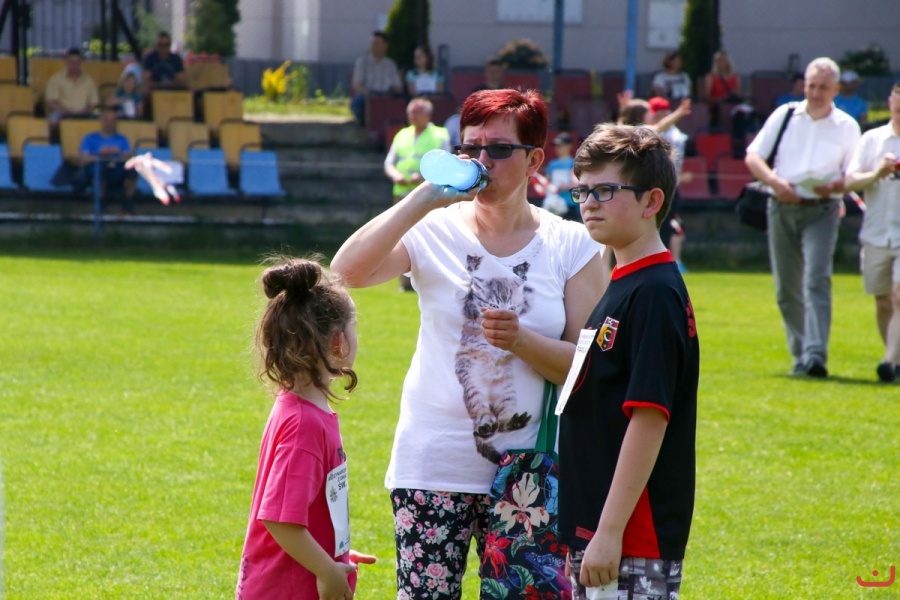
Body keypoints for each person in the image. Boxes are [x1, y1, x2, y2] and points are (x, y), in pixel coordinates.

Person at [330, 88, 607, 599]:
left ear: (534, 160)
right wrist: (424, 196)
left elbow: (589, 369)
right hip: (432, 464)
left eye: (498, 149)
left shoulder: (572, 243)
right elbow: (346, 273)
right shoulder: (432, 229)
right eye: (468, 148)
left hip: (529, 470)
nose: (481, 162)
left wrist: (522, 341)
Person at [558, 123, 699, 600]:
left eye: (605, 190)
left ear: (651, 201)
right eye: (582, 191)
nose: (588, 203)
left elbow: (649, 417)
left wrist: (610, 530)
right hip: (599, 525)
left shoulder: (655, 292)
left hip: (630, 537)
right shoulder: (624, 278)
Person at [236, 256, 376, 600]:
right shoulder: (305, 424)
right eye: (355, 326)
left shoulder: (300, 408)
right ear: (338, 342)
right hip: (285, 590)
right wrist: (325, 569)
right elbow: (279, 519)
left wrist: (333, 552)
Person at [745, 57, 861, 378]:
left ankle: (815, 356)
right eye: (811, 85)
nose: (816, 93)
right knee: (786, 288)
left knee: (816, 280)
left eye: (823, 87)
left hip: (823, 209)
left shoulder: (847, 126)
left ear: (836, 89)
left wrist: (837, 185)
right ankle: (800, 354)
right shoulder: (785, 115)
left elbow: (853, 173)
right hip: (781, 206)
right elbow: (754, 156)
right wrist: (775, 182)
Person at [844, 81, 900, 382]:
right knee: (882, 301)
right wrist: (877, 173)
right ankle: (895, 360)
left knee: (899, 296)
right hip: (876, 230)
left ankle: (889, 361)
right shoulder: (872, 140)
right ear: (890, 103)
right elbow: (850, 181)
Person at [383, 97, 452, 289]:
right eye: (410, 112)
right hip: (401, 193)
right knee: (400, 237)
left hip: (429, 195)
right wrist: (395, 174)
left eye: (416, 112)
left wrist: (422, 176)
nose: (412, 116)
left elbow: (445, 162)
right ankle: (404, 282)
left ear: (428, 114)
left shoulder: (439, 134)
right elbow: (389, 162)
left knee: (431, 234)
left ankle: (431, 278)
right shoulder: (402, 134)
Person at [647, 96, 690, 273]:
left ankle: (660, 262)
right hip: (672, 187)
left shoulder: (666, 135)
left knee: (660, 226)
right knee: (667, 225)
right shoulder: (679, 136)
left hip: (657, 187)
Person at [78, 105, 138, 215]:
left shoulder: (122, 139)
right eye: (106, 119)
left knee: (132, 171)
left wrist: (119, 153)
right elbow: (83, 159)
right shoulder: (90, 138)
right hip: (97, 167)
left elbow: (129, 157)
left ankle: (127, 204)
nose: (110, 123)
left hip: (117, 168)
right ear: (101, 120)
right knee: (100, 170)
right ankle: (100, 204)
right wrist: (101, 155)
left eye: (113, 120)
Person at [350, 30, 402, 126]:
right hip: (368, 94)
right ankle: (362, 124)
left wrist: (392, 92)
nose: (373, 46)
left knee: (400, 100)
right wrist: (369, 93)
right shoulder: (362, 62)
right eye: (372, 43)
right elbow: (357, 85)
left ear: (385, 46)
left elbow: (397, 86)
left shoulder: (391, 64)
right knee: (358, 101)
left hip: (386, 94)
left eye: (376, 43)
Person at [44, 47, 99, 136]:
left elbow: (94, 103)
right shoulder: (55, 79)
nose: (74, 65)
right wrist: (67, 112)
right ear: (65, 62)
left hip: (84, 114)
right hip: (62, 113)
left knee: (100, 121)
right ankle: (56, 143)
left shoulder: (89, 81)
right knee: (53, 120)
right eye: (71, 62)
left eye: (77, 62)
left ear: (81, 63)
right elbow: (51, 102)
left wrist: (85, 111)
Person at [535, 131, 580, 221]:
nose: (557, 148)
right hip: (554, 205)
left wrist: (568, 186)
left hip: (570, 204)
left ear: (569, 146)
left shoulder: (574, 163)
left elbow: (578, 182)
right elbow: (547, 181)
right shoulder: (552, 164)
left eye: (561, 145)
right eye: (556, 146)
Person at [700, 50, 742, 129]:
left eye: (723, 61)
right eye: (718, 61)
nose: (721, 63)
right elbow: (706, 97)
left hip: (732, 107)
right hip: (716, 109)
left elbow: (739, 95)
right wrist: (721, 99)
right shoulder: (710, 77)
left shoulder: (735, 77)